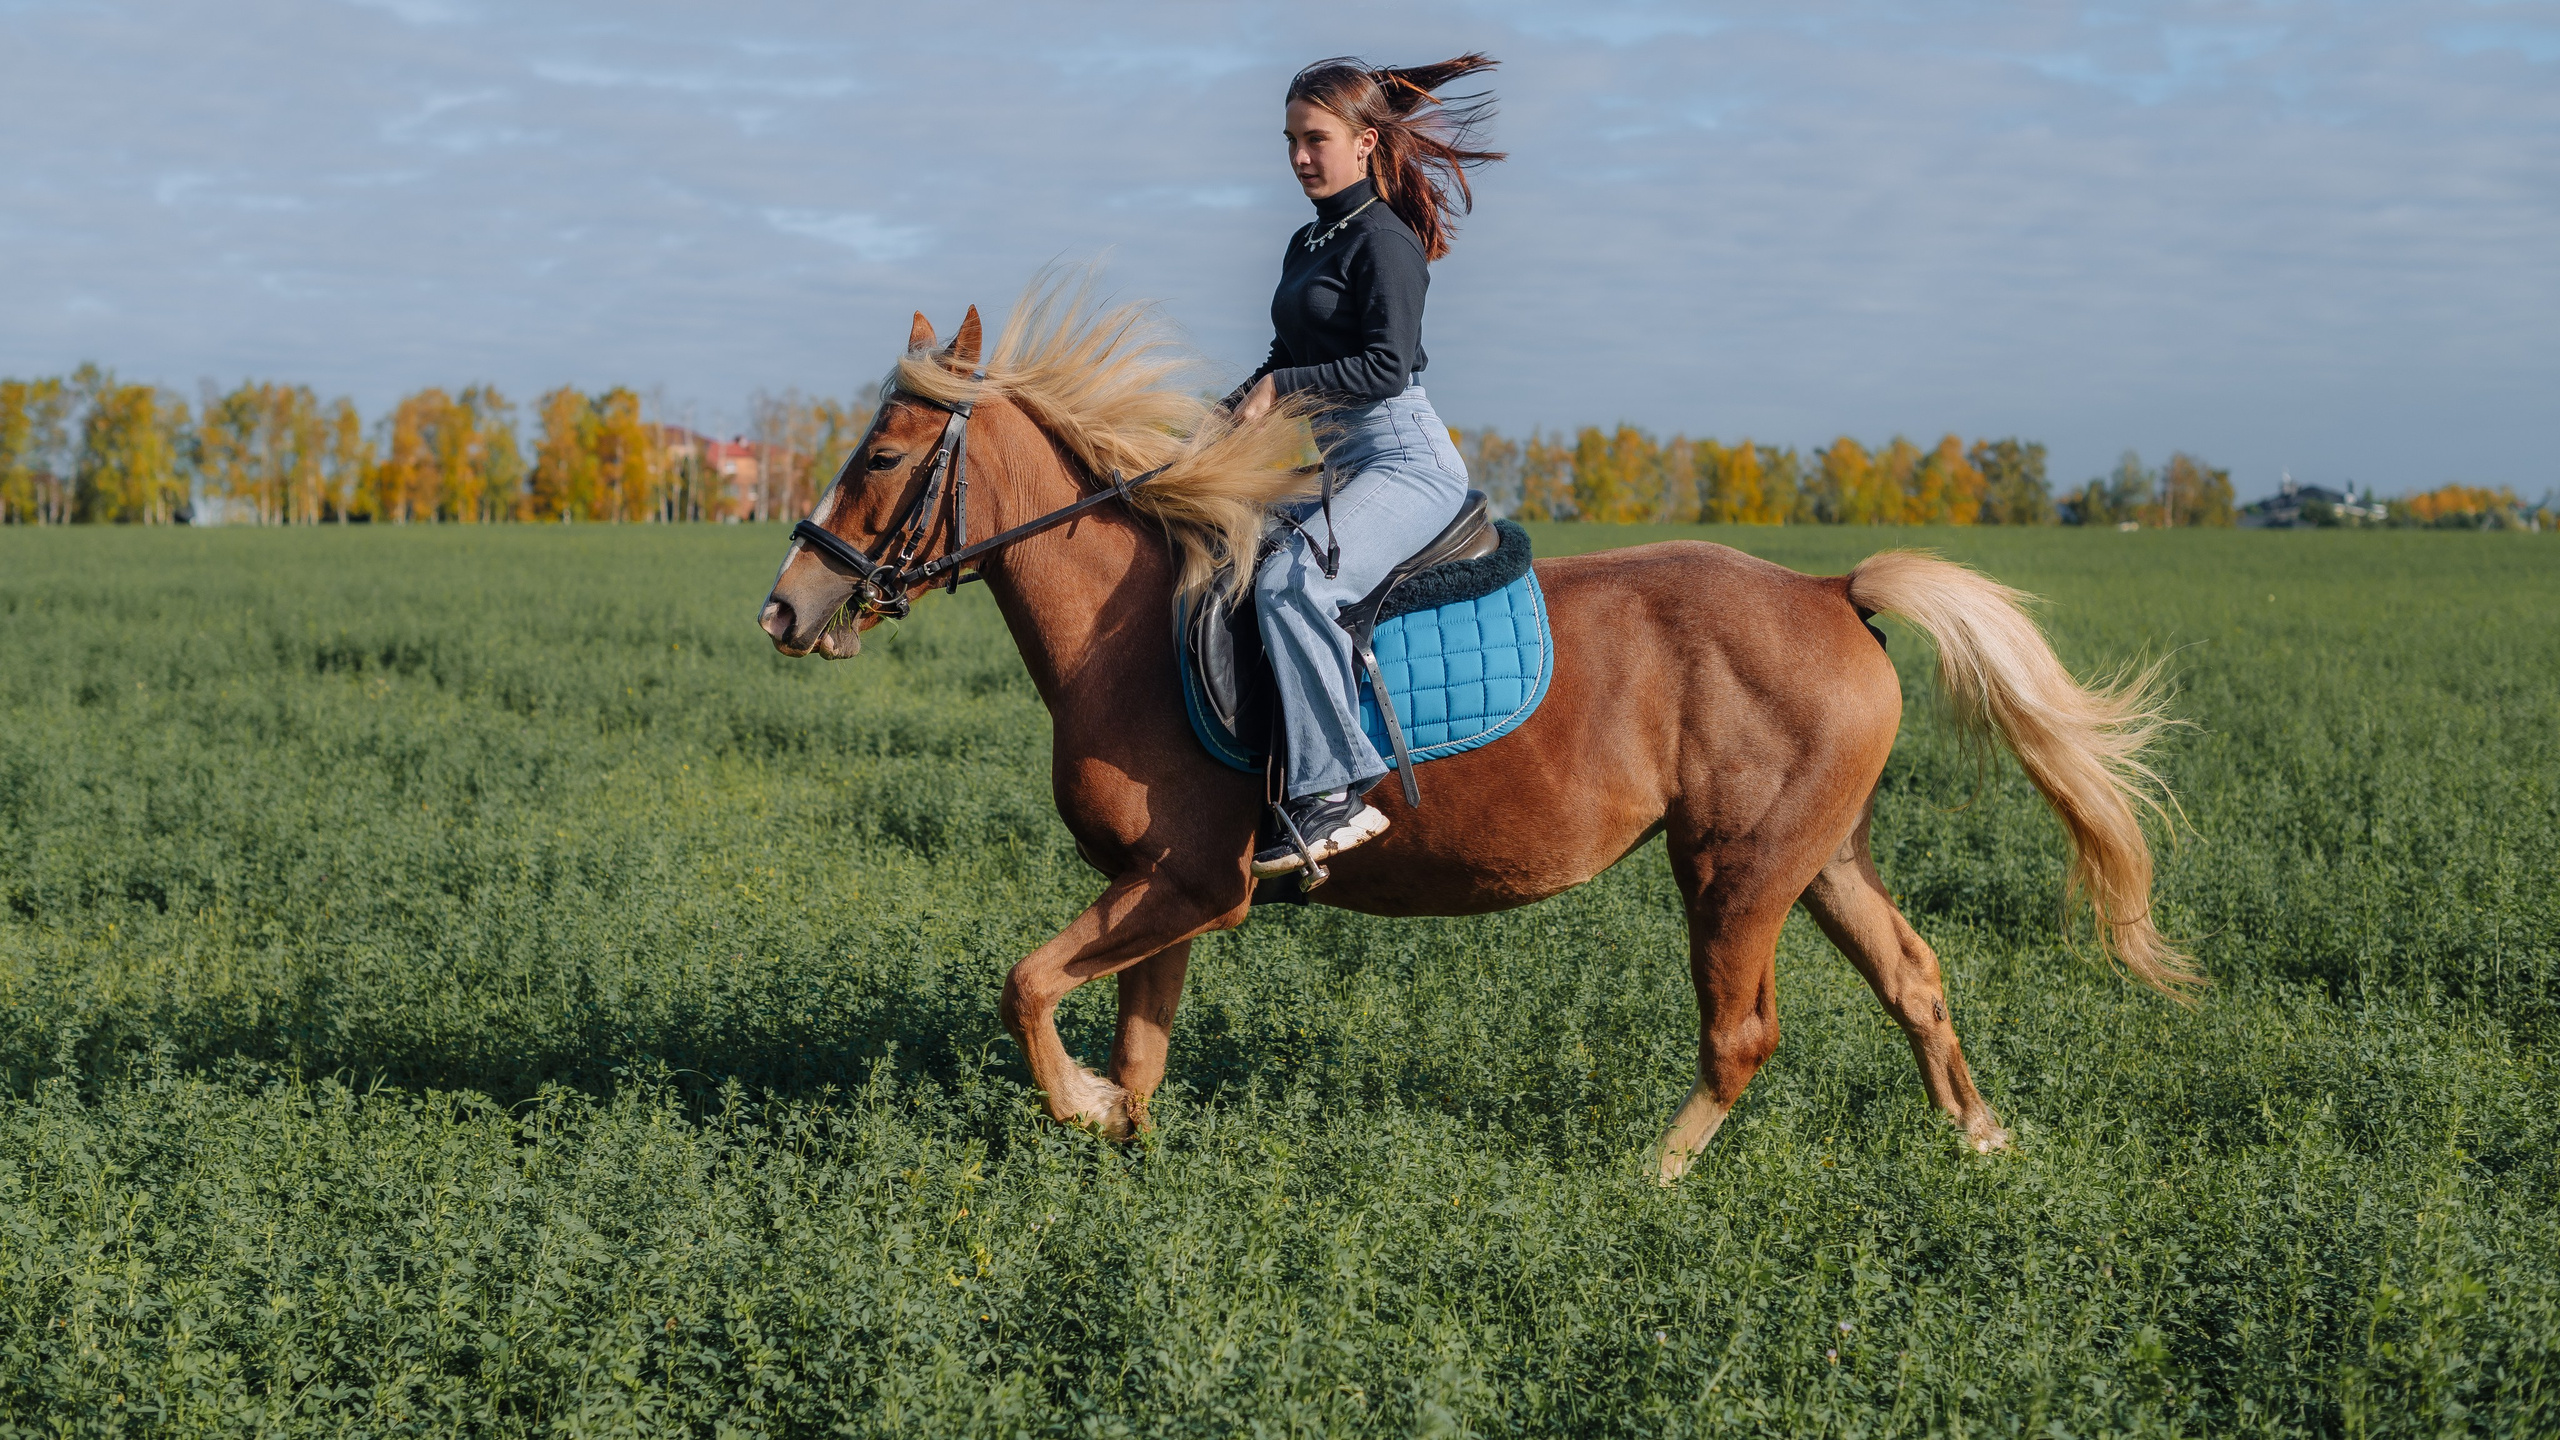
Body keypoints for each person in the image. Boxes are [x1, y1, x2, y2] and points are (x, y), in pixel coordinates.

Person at [1230, 53, 1505, 879]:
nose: (1300, 158)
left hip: (1404, 460)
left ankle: (1333, 796)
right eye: (1289, 141)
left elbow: (1387, 368)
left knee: (1294, 582)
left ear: (1364, 142)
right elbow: (1288, 349)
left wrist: (1281, 387)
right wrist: (1217, 419)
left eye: (1315, 139)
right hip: (1343, 462)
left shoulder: (1385, 240)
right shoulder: (1308, 240)